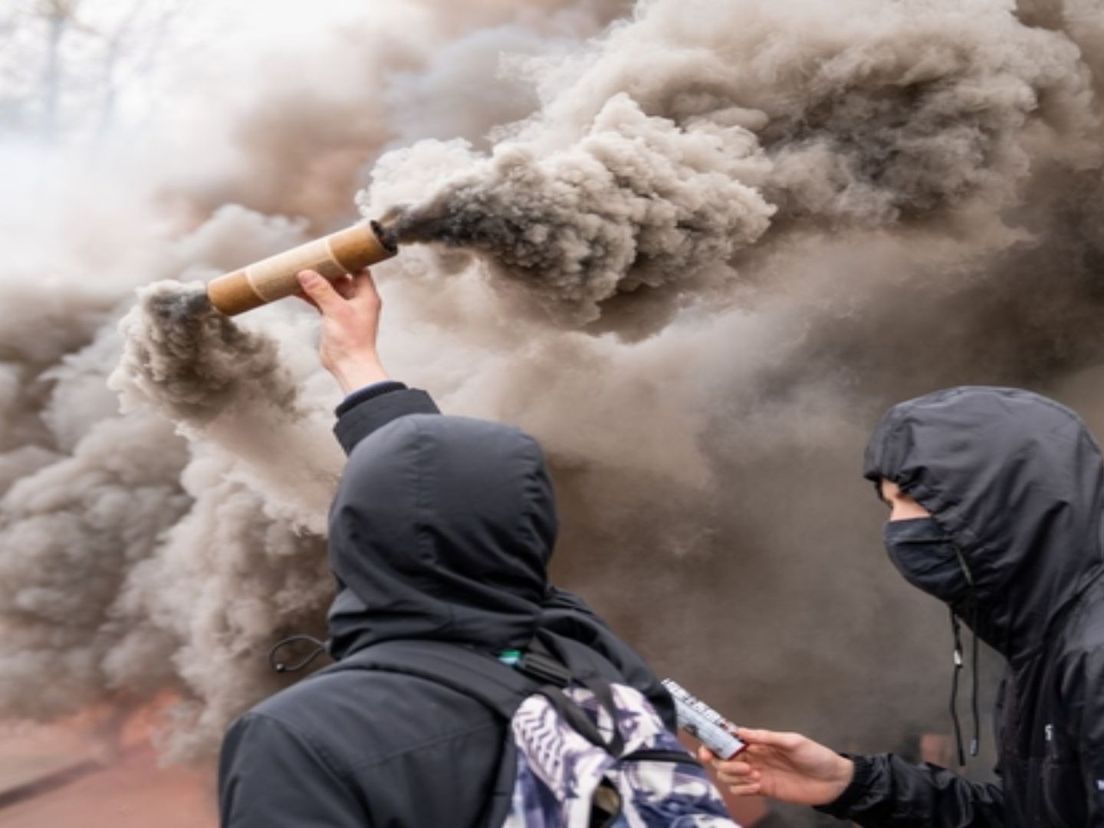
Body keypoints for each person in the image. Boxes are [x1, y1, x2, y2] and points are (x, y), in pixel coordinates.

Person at [217, 268, 678, 827]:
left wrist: (359, 368)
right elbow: (462, 507)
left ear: (352, 532)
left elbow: (437, 503)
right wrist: (357, 364)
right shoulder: (595, 668)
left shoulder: (300, 737)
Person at [704, 385, 1104, 825]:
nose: (895, 526)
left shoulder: (1093, 652)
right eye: (889, 504)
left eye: (912, 499)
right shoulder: (1042, 647)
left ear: (999, 500)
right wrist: (851, 783)